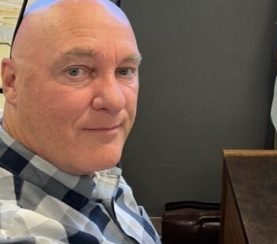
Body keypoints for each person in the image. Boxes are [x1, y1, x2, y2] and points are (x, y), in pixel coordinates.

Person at [0, 0, 161, 243]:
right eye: (76, 71)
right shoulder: (17, 230)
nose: (115, 100)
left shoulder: (72, 149)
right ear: (12, 81)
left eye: (124, 71)